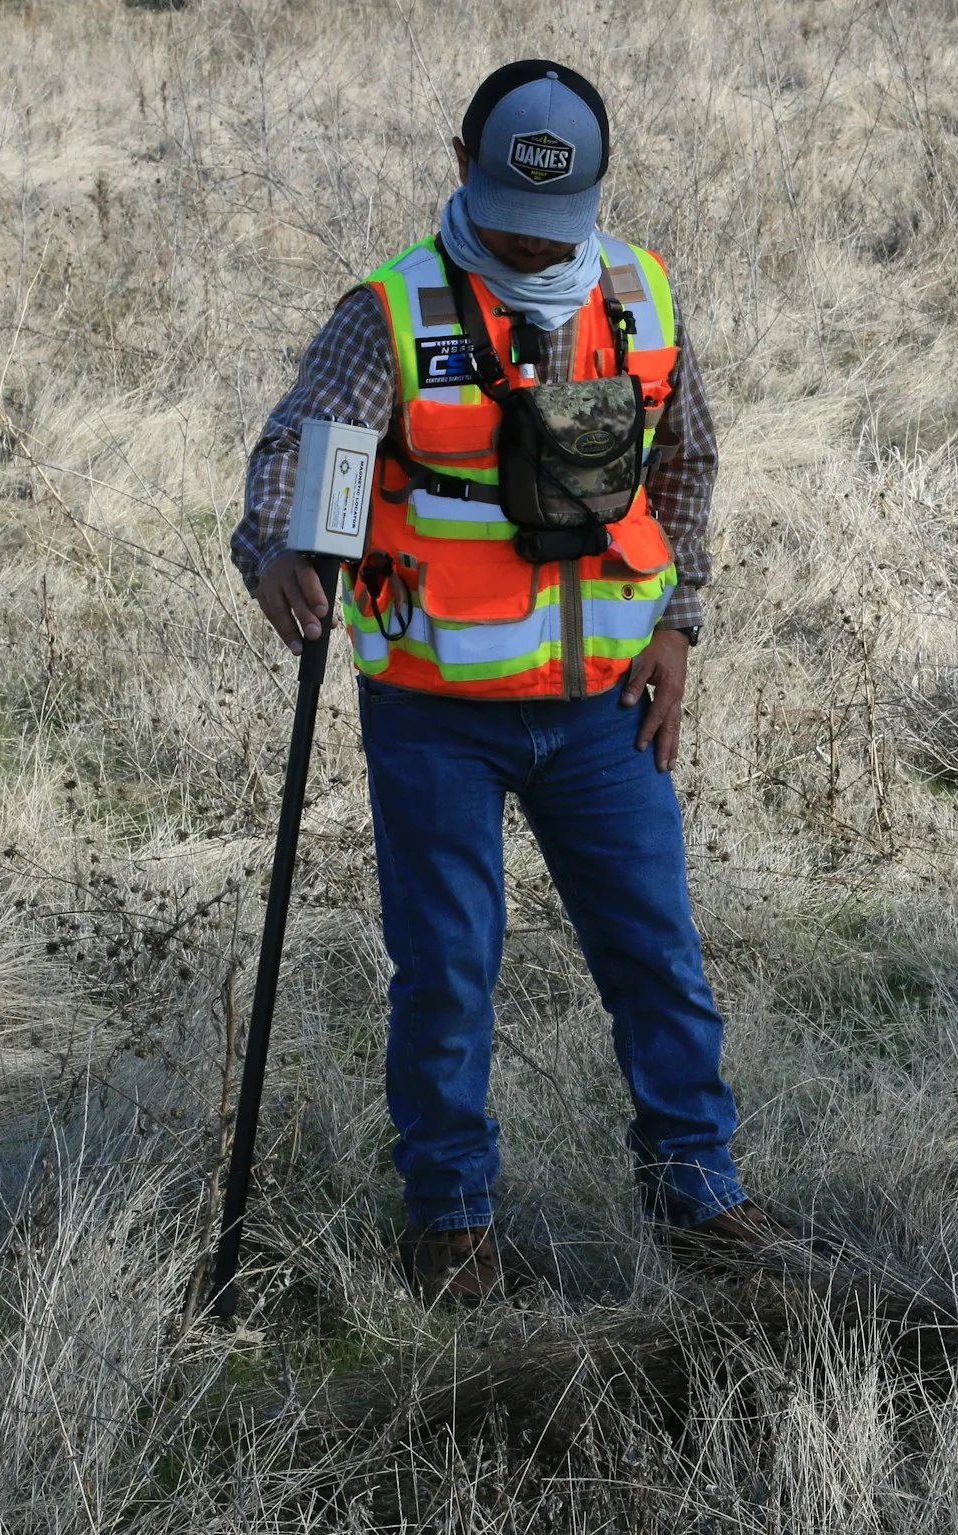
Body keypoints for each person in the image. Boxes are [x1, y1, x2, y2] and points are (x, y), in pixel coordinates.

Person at [230, 59, 779, 1302]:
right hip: (436, 712)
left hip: (602, 709)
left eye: (559, 220)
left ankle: (701, 1193)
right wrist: (275, 551)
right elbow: (290, 449)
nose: (538, 244)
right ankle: (452, 1224)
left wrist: (678, 626)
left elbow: (685, 460)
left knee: (658, 955)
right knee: (448, 966)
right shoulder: (390, 310)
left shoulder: (639, 293)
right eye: (512, 215)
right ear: (463, 169)